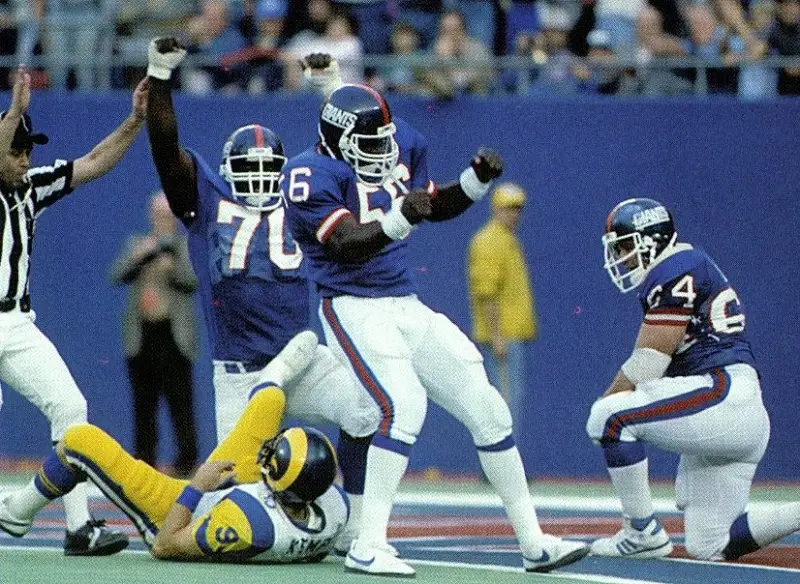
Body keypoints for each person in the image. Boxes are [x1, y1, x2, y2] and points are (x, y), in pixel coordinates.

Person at [282, 82, 590, 576]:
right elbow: (346, 243)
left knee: (489, 409)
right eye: (370, 143)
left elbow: (432, 204)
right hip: (352, 305)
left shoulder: (398, 142)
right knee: (402, 407)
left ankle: (533, 542)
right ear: (336, 139)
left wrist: (473, 182)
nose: (384, 151)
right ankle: (367, 544)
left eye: (386, 140)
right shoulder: (306, 174)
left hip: (405, 303)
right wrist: (399, 219)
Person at [144, 37, 379, 552]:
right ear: (226, 174)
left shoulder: (301, 193)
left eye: (266, 170)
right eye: (245, 172)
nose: (257, 181)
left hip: (299, 360)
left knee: (366, 409)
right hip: (240, 375)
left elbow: (349, 150)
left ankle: (358, 528)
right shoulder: (206, 203)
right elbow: (165, 149)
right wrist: (160, 74)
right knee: (237, 495)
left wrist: (329, 89)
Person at [586, 198, 800, 561]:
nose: (620, 258)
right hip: (734, 408)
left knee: (609, 416)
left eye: (624, 247)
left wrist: (604, 404)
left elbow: (648, 363)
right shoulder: (686, 264)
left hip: (722, 393)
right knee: (710, 545)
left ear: (649, 239)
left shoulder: (675, 267)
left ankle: (640, 534)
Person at [0, 67, 148, 555]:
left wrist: (133, 122)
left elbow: (93, 161)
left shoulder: (31, 188)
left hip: (17, 323)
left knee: (71, 408)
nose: (25, 160)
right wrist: (16, 110)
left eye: (28, 151)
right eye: (17, 151)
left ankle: (78, 526)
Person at [0, 383, 349, 562]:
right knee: (271, 399)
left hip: (177, 513)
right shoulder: (333, 508)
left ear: (284, 483)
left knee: (77, 439)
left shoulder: (247, 522)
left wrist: (197, 487)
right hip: (243, 495)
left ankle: (17, 512)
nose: (266, 454)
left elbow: (165, 546)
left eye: (274, 459)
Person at [109, 191, 200, 477]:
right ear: (151, 216)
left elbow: (193, 281)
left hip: (173, 336)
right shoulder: (138, 243)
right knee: (143, 404)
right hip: (142, 336)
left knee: (180, 403)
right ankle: (143, 462)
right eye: (158, 215)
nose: (162, 220)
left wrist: (172, 268)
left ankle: (186, 462)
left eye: (167, 215)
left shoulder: (185, 247)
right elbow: (117, 274)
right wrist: (140, 257)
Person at [467, 182, 537, 433]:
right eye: (509, 208)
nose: (514, 214)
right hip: (502, 337)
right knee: (503, 403)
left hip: (510, 335)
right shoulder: (489, 241)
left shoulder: (507, 240)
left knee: (508, 401)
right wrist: (497, 336)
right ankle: (501, 470)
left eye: (518, 209)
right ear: (495, 209)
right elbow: (486, 293)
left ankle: (502, 468)